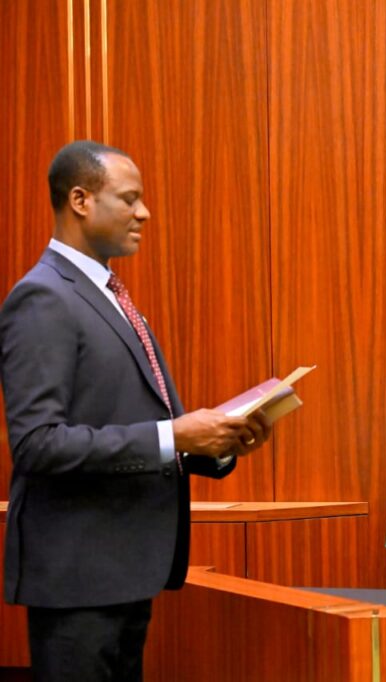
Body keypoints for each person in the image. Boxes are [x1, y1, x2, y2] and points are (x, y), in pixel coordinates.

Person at [0, 140, 271, 680]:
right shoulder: (44, 297)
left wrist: (218, 442)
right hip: (78, 581)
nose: (144, 213)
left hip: (123, 574)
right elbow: (36, 443)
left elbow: (131, 420)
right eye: (129, 199)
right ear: (80, 200)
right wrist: (175, 436)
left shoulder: (109, 296)